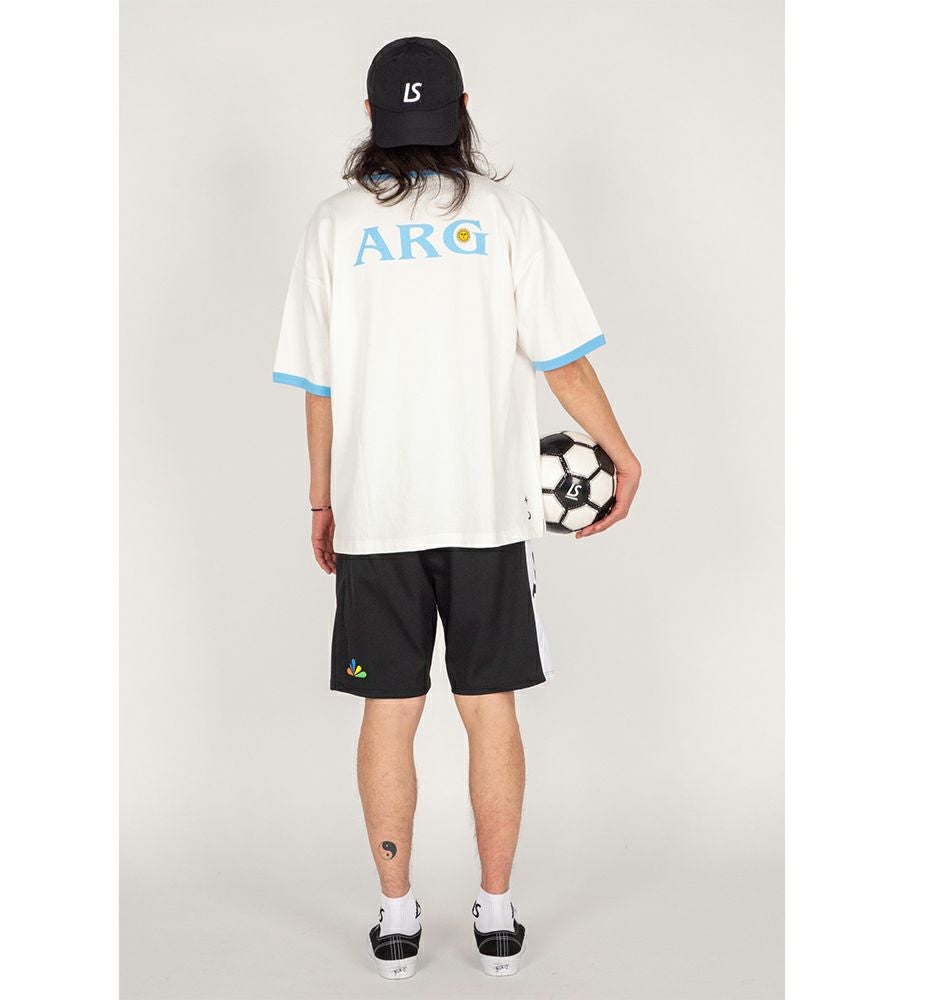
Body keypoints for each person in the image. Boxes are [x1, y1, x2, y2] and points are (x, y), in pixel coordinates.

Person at [273, 36, 641, 980]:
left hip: (377, 514)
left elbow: (317, 387)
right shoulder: (508, 217)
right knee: (489, 709)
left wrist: (322, 498)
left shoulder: (332, 226)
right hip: (485, 514)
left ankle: (397, 920)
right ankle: (497, 915)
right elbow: (563, 359)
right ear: (463, 110)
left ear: (371, 119)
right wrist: (621, 450)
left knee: (388, 713)